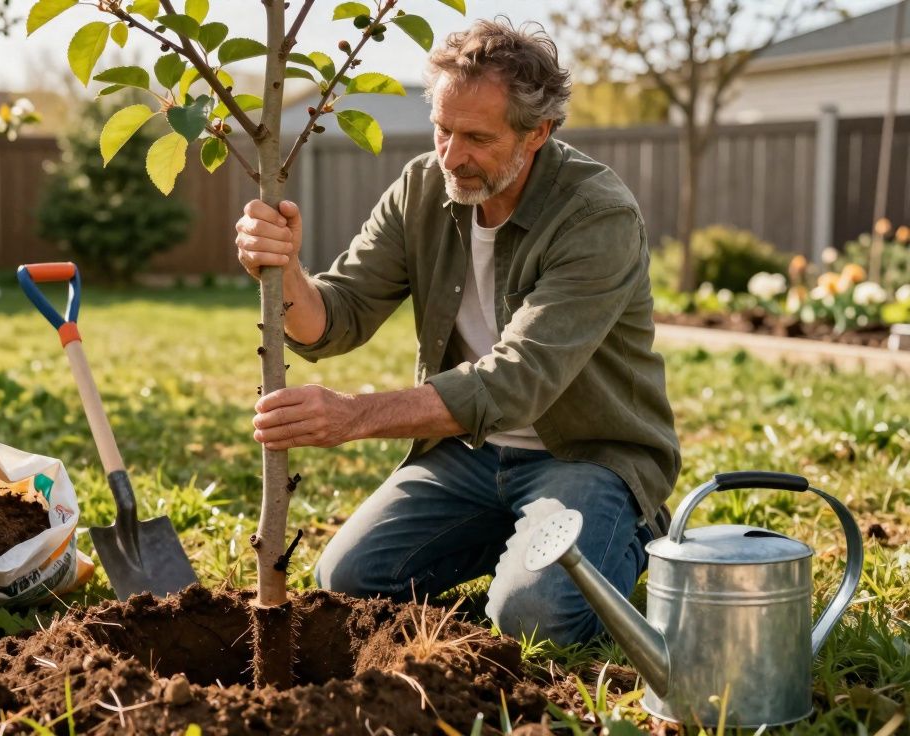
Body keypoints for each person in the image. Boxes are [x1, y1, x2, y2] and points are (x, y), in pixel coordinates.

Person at [233, 18, 681, 645]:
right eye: (443, 129)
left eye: (477, 137)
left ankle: (630, 535)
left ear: (539, 133)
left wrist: (354, 417)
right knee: (346, 583)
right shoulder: (423, 187)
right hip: (467, 455)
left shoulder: (596, 214)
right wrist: (284, 270)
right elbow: (337, 316)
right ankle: (519, 534)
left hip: (586, 456)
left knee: (534, 621)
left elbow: (517, 383)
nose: (452, 154)